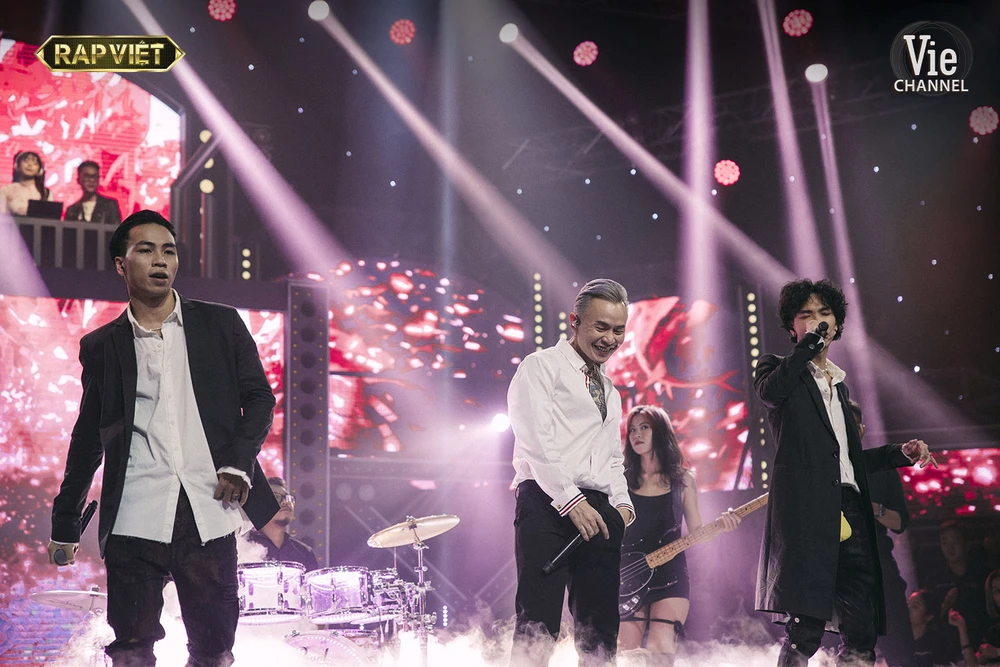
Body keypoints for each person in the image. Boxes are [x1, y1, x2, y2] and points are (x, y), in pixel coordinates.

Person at [47, 210, 280, 667]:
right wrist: (65, 522)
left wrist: (238, 462)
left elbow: (260, 399)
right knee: (131, 652)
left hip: (207, 511)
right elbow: (88, 438)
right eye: (147, 250)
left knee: (213, 653)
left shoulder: (221, 324)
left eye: (169, 251)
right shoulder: (101, 346)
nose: (161, 260)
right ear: (121, 264)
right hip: (134, 515)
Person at [754, 278, 936, 667]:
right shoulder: (777, 369)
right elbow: (770, 392)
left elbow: (848, 462)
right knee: (806, 630)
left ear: (837, 324)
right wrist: (807, 348)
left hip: (852, 509)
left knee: (861, 631)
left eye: (825, 314)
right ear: (792, 327)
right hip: (810, 510)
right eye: (806, 315)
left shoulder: (839, 387)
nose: (817, 321)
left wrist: (899, 454)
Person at [508, 278, 636, 666]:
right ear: (574, 322)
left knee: (601, 629)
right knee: (538, 623)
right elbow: (535, 439)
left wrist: (622, 506)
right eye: (601, 327)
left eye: (618, 330)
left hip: (600, 510)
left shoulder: (609, 390)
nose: (610, 339)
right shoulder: (541, 366)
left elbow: (612, 457)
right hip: (547, 501)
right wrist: (570, 500)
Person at [617, 404, 740, 666]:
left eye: (644, 427)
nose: (636, 435)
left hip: (670, 575)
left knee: (660, 655)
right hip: (628, 574)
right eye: (632, 430)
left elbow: (697, 531)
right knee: (625, 657)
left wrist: (723, 525)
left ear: (660, 432)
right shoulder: (620, 479)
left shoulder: (682, 480)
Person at [850, 398, 915, 667]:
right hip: (843, 576)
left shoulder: (882, 468)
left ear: (862, 430)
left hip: (881, 571)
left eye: (852, 424)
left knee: (900, 651)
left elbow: (900, 522)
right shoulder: (824, 471)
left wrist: (874, 508)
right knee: (852, 655)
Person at [936, 521, 992, 652]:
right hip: (947, 649)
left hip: (982, 648)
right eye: (945, 542)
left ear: (966, 543)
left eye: (955, 541)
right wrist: (945, 606)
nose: (950, 547)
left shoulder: (983, 576)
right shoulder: (935, 579)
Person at [247, 477, 319, 571]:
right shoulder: (243, 545)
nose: (285, 502)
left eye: (288, 498)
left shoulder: (304, 552)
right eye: (276, 497)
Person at [909, 589, 961, 667]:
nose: (908, 608)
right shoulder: (898, 638)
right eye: (907, 603)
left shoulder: (936, 644)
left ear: (929, 616)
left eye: (915, 606)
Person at [0, 150, 52, 215]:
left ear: (39, 171)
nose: (30, 165)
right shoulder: (6, 190)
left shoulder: (46, 193)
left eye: (35, 163)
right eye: (26, 161)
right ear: (17, 166)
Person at [977, 569, 1000, 665]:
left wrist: (997, 652)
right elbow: (973, 663)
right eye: (996, 591)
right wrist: (961, 627)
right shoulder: (994, 631)